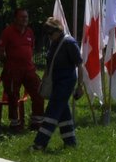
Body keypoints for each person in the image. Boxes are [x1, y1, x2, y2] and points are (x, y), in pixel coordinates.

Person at [33, 17, 80, 151]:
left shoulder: (69, 42)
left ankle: (40, 143)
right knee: (63, 111)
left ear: (58, 30)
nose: (49, 36)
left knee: (52, 111)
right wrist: (44, 79)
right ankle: (70, 142)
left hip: (66, 82)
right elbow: (49, 63)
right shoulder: (54, 42)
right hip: (56, 81)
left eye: (50, 33)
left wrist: (80, 87)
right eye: (47, 34)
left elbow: (80, 64)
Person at [0, 7, 39, 128]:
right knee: (13, 95)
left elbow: (32, 48)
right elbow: (0, 51)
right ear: (15, 18)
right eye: (22, 16)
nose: (25, 19)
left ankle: (36, 122)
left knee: (38, 92)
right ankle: (15, 123)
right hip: (13, 70)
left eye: (26, 17)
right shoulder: (8, 31)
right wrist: (8, 63)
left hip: (29, 69)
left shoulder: (30, 31)